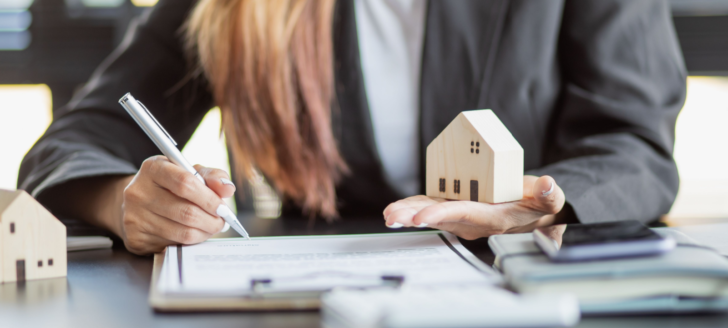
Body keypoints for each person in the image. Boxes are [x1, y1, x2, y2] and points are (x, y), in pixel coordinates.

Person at [19, 0, 686, 255]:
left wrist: (539, 201)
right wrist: (126, 204)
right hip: (314, 327)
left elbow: (635, 146)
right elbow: (73, 144)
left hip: (524, 304)